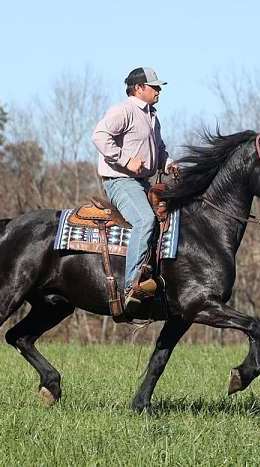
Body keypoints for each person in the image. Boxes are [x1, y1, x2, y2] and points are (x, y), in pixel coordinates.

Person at [92, 67, 175, 313]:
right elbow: (99, 136)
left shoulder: (152, 116)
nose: (159, 90)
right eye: (154, 86)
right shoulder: (123, 111)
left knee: (168, 218)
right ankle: (131, 286)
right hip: (120, 181)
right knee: (145, 220)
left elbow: (159, 149)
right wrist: (125, 159)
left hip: (141, 183)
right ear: (138, 88)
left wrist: (168, 164)